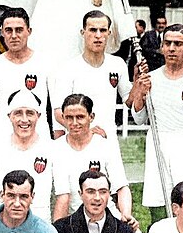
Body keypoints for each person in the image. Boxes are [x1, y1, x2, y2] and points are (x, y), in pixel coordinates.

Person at [131, 23, 183, 225]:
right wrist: (140, 93)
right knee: (159, 213)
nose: (171, 48)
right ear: (161, 47)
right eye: (167, 43)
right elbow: (140, 118)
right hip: (158, 146)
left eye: (178, 44)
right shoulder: (150, 78)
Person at [52, 93, 138, 231]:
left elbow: (122, 187)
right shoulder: (56, 148)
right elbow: (63, 197)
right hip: (74, 220)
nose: (74, 123)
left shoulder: (105, 146)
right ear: (62, 118)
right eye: (69, 117)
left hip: (107, 215)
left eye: (80, 117)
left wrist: (126, 214)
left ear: (91, 117)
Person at [52, 10, 136, 141]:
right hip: (78, 141)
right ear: (83, 32)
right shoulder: (68, 68)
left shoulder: (117, 64)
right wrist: (86, 131)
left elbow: (129, 101)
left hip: (107, 138)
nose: (98, 35)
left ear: (108, 33)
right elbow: (58, 112)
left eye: (102, 30)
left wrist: (138, 84)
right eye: (92, 30)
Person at [0, 89, 54, 222]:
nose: (24, 119)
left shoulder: (51, 149)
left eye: (30, 113)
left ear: (38, 116)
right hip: (2, 228)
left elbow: (62, 195)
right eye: (18, 113)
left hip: (38, 230)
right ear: (10, 116)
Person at [0, 7, 52, 142]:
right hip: (3, 139)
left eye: (19, 30)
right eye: (9, 30)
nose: (14, 35)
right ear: (2, 32)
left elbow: (55, 107)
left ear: (29, 31)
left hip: (39, 141)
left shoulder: (44, 62)